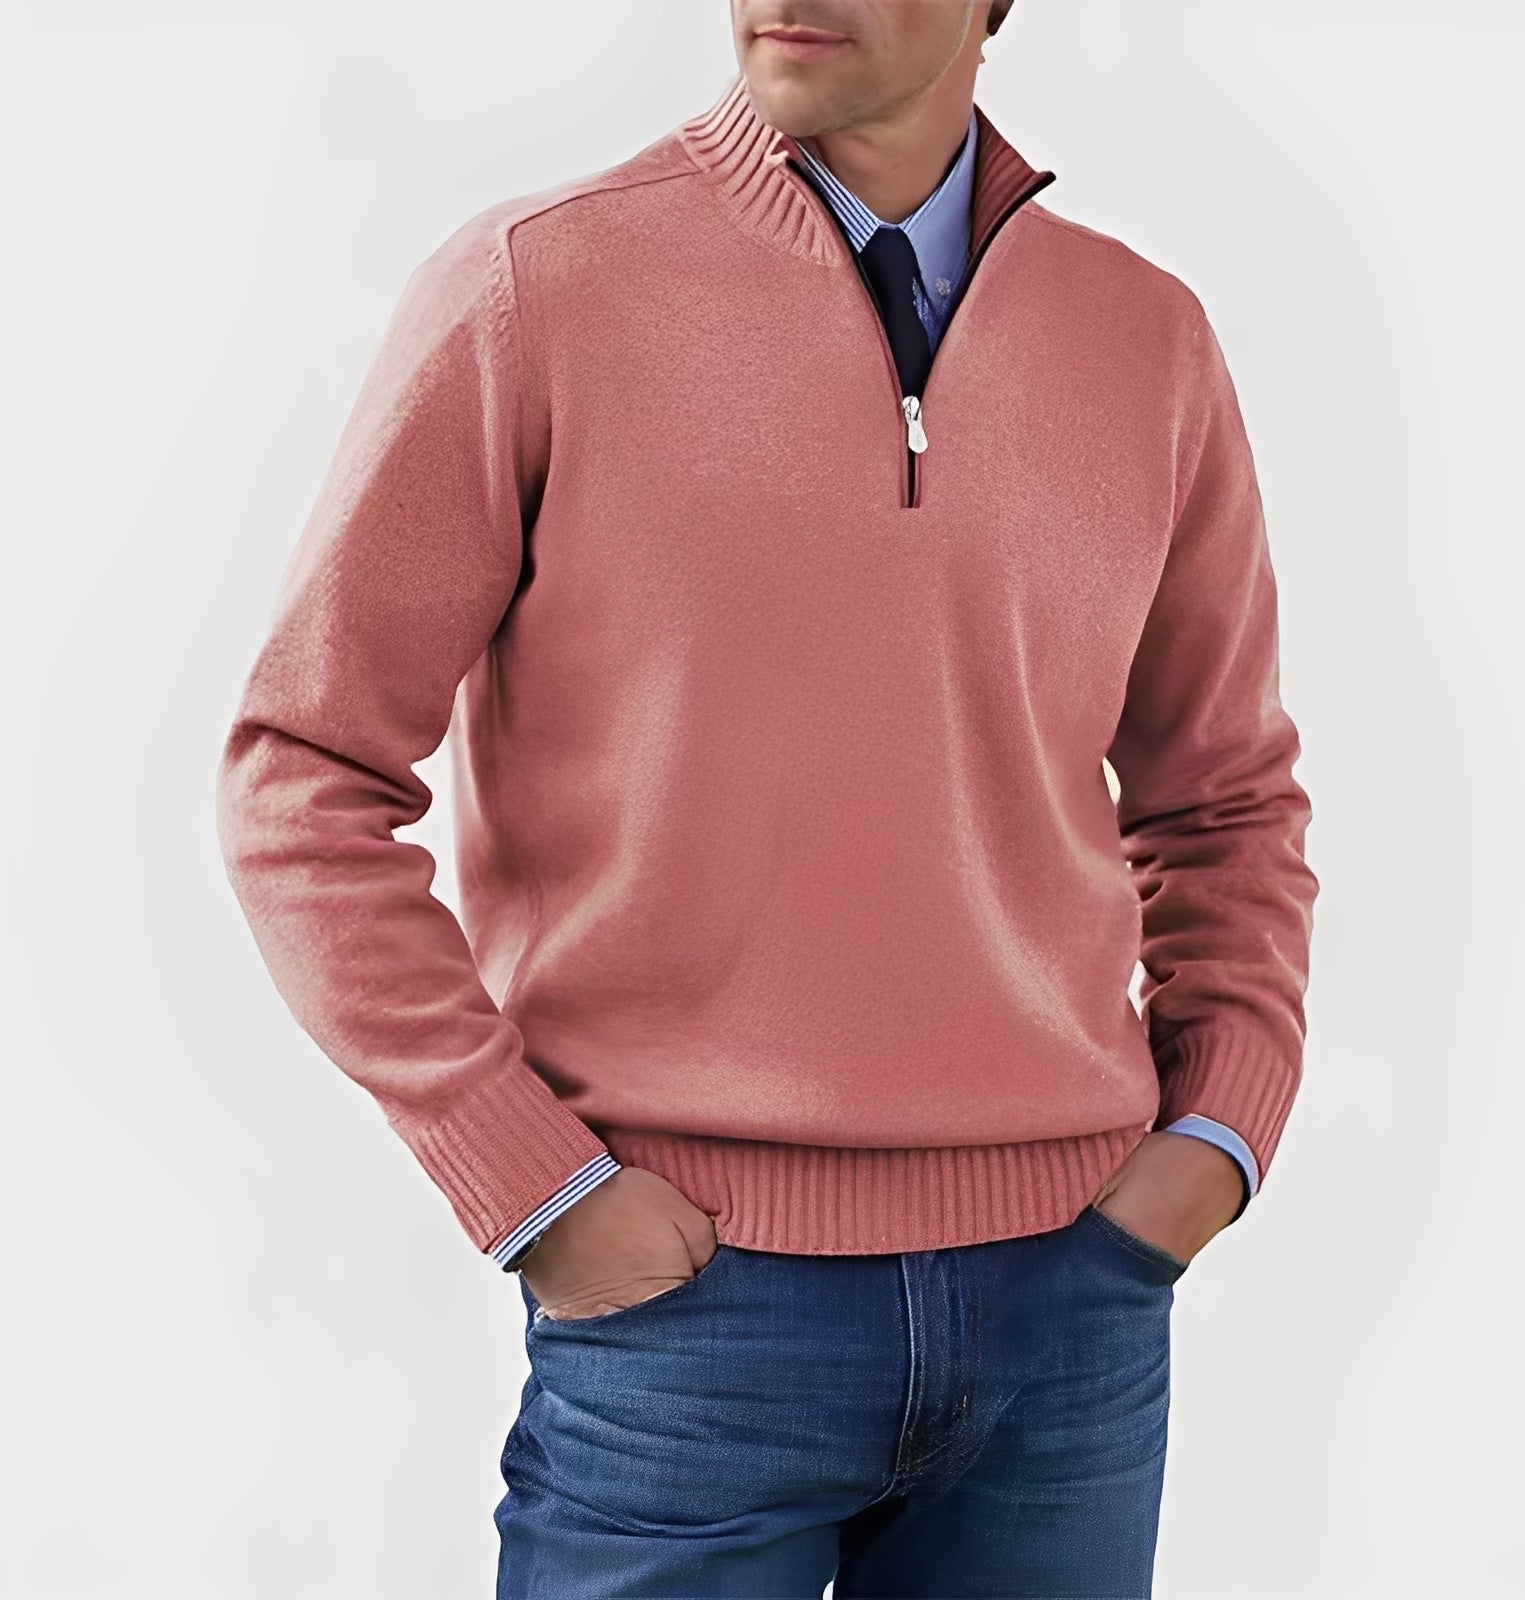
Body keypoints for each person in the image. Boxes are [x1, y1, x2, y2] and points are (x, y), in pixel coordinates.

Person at [215, 1, 1318, 1594]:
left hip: (1069, 1313)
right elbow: (304, 774)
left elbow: (1224, 798)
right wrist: (534, 1185)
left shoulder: (1147, 339)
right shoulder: (536, 289)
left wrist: (1218, 1132)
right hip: (691, 1312)